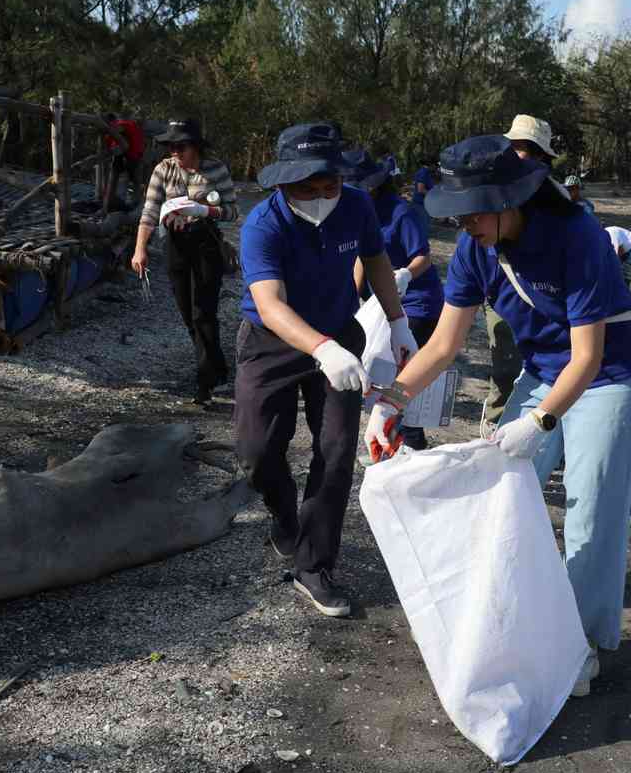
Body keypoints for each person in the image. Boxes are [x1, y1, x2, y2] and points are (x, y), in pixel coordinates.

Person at [363, 135, 631, 695]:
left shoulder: (577, 237)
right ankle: (511, 619)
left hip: (611, 373)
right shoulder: (477, 247)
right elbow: (445, 342)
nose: (462, 225)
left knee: (591, 506)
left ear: (506, 202)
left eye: (471, 214)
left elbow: (589, 357)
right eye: (456, 215)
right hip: (546, 369)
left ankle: (581, 645)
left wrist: (540, 421)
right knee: (498, 484)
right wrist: (391, 401)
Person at [236, 122, 414, 617]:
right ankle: (282, 511)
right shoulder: (262, 226)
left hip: (340, 335)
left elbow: (376, 260)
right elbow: (270, 306)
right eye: (305, 189)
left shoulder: (356, 206)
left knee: (335, 452)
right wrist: (321, 349)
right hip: (272, 344)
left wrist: (398, 322)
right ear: (281, 184)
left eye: (328, 186)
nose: (319, 197)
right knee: (255, 454)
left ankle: (314, 565)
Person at [132, 119, 238, 403]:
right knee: (186, 311)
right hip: (175, 245)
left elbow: (231, 212)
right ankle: (217, 367)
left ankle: (204, 383)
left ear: (195, 146)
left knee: (203, 310)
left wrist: (203, 210)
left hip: (206, 242)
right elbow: (150, 211)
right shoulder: (163, 170)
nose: (175, 151)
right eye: (171, 146)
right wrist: (140, 249)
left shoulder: (215, 169)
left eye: (181, 146)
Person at [345, 148, 444, 450]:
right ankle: (392, 439)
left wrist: (405, 276)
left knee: (405, 374)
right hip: (385, 306)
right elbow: (364, 257)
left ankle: (411, 442)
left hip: (416, 303)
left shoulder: (401, 212)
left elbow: (423, 257)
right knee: (383, 373)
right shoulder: (357, 210)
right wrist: (352, 301)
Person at [476, 114, 560, 433]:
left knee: (546, 370)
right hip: (502, 299)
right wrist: (393, 400)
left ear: (542, 158)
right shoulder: (485, 201)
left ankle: (543, 429)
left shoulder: (562, 212)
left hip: (546, 307)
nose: (518, 154)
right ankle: (495, 427)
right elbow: (443, 344)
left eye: (526, 149)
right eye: (513, 147)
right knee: (505, 367)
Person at [103, 113, 147, 209]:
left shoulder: (120, 125)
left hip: (129, 157)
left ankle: (118, 206)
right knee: (136, 182)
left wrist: (107, 139)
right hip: (137, 155)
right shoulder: (129, 124)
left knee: (122, 181)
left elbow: (116, 137)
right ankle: (136, 204)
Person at [411, 156, 437, 231]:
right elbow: (420, 189)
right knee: (423, 227)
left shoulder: (426, 172)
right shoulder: (424, 172)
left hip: (423, 204)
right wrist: (432, 195)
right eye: (435, 165)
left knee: (423, 226)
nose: (435, 168)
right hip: (420, 204)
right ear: (431, 164)